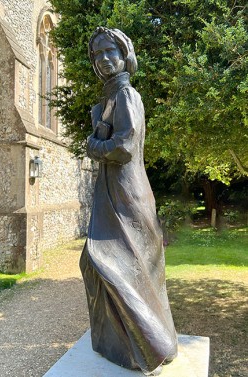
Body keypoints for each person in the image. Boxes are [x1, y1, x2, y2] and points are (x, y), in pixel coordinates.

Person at [80, 27, 177, 376]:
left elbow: (124, 146)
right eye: (97, 55)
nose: (103, 60)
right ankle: (123, 344)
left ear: (125, 54)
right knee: (97, 264)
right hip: (112, 193)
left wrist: (93, 146)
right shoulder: (107, 100)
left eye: (110, 52)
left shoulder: (125, 95)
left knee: (109, 264)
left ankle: (150, 347)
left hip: (127, 197)